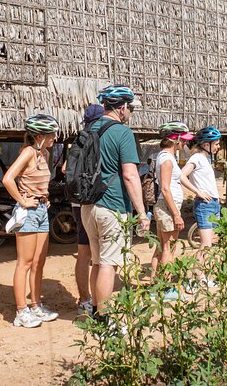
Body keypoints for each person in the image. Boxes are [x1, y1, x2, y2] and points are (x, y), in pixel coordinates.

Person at [80, 84, 150, 328]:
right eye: (130, 109)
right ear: (122, 108)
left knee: (97, 262)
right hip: (112, 207)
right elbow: (130, 175)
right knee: (109, 265)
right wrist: (142, 212)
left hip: (88, 207)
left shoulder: (90, 129)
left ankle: (95, 309)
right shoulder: (123, 133)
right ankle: (104, 321)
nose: (131, 113)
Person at [2, 114, 60, 328]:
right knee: (24, 263)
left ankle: (36, 305)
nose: (55, 137)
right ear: (39, 135)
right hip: (29, 212)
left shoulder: (43, 153)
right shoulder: (28, 152)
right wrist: (22, 201)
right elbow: (8, 179)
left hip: (42, 210)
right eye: (51, 134)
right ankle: (21, 311)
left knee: (38, 262)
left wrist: (44, 198)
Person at [150, 122, 194, 298]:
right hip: (168, 207)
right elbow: (166, 188)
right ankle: (166, 287)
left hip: (165, 206)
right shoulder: (167, 159)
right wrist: (176, 214)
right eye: (182, 140)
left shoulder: (164, 157)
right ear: (174, 140)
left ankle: (156, 284)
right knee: (169, 247)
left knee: (161, 247)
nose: (183, 144)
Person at [70, 104, 104, 317]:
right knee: (96, 255)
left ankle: (86, 299)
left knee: (85, 253)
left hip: (78, 202)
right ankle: (93, 301)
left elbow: (66, 169)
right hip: (94, 201)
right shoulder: (99, 138)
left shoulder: (79, 140)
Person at [180, 126, 222, 288]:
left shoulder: (205, 159)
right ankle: (196, 278)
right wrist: (197, 191)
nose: (218, 147)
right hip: (204, 204)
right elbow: (182, 176)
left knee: (210, 243)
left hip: (213, 203)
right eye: (216, 144)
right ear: (206, 144)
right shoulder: (196, 158)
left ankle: (203, 276)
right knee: (205, 244)